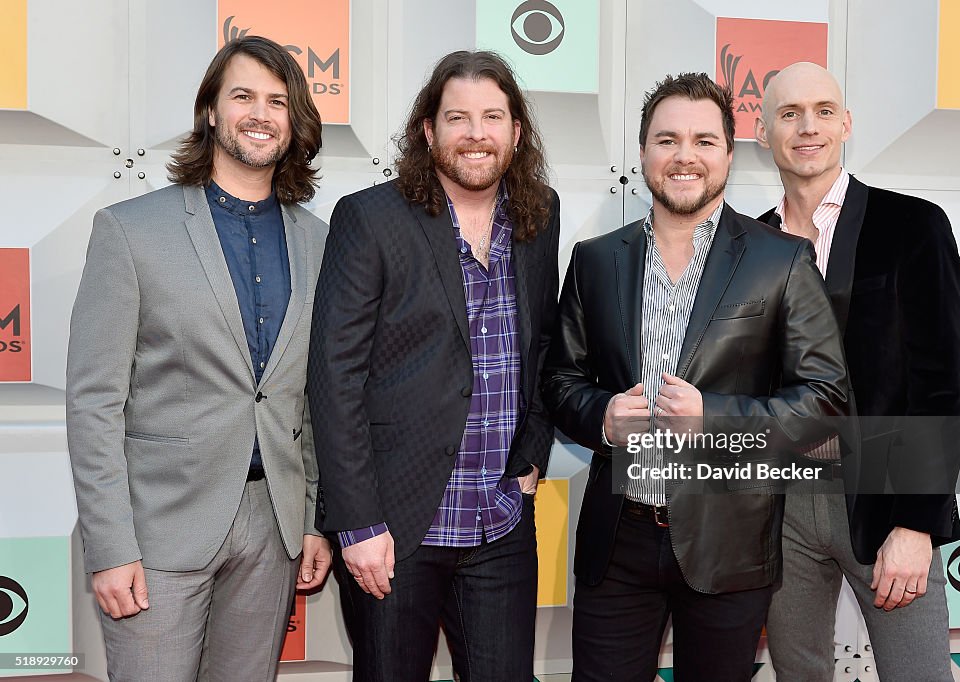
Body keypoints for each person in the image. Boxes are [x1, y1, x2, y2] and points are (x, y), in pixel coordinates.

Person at [542, 72, 850, 682]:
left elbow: (825, 401)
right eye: (667, 140)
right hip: (618, 543)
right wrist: (600, 416)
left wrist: (714, 418)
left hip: (730, 543)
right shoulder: (595, 260)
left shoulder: (781, 259)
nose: (685, 156)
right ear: (642, 153)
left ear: (730, 155)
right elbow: (559, 380)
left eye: (704, 141)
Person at [66, 35, 331, 681]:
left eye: (277, 101)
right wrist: (111, 547)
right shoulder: (130, 231)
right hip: (158, 531)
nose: (260, 114)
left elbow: (316, 396)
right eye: (242, 96)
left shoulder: (322, 243)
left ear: (294, 122)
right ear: (211, 111)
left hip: (274, 527)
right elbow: (95, 399)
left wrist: (316, 517)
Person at [308, 50, 560, 681]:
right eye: (457, 118)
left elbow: (545, 345)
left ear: (516, 131)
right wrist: (358, 521)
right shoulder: (371, 218)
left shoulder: (539, 214)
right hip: (395, 528)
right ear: (428, 131)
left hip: (500, 519)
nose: (476, 133)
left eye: (492, 117)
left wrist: (529, 461)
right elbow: (333, 377)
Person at [754, 62, 960, 681]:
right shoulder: (751, 244)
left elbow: (942, 381)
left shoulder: (910, 225)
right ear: (764, 133)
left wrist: (917, 523)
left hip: (886, 501)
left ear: (846, 124)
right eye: (788, 113)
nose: (807, 127)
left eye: (823, 110)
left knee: (919, 674)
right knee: (799, 674)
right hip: (783, 510)